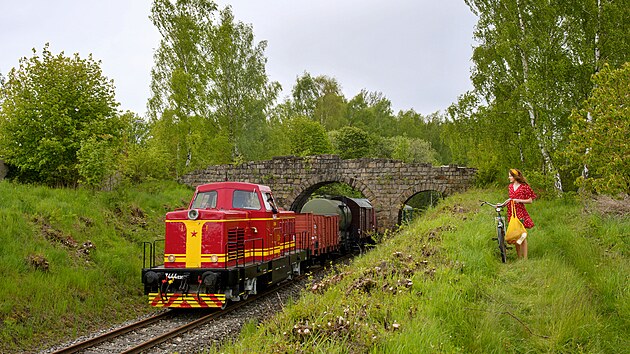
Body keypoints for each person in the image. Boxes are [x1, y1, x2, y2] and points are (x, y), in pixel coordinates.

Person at [501, 168, 537, 259]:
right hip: (511, 213)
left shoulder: (524, 187)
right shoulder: (510, 187)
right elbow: (510, 199)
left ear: (515, 176)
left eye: (510, 176)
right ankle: (519, 257)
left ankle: (525, 258)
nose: (509, 177)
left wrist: (519, 200)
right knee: (516, 235)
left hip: (520, 212)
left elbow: (530, 200)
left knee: (522, 235)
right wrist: (502, 204)